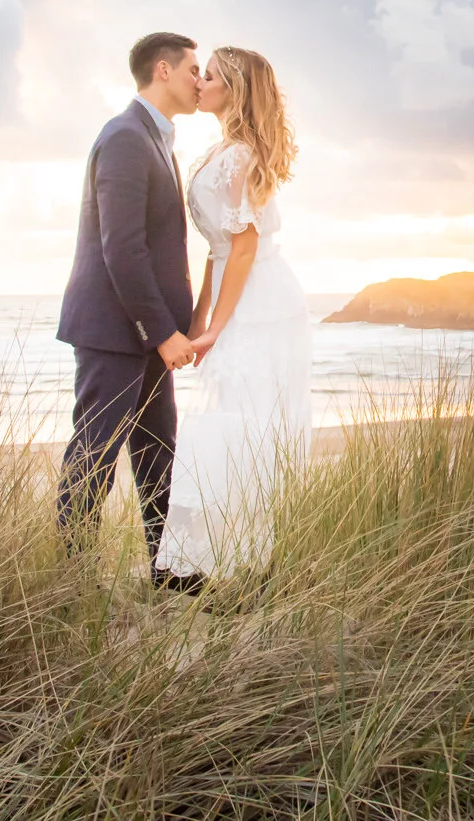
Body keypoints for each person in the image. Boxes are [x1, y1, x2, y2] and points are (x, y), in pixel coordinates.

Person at [156, 46, 312, 586]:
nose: (200, 82)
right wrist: (198, 324)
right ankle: (223, 560)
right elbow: (217, 253)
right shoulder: (225, 150)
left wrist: (217, 328)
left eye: (212, 76)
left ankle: (245, 565)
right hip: (234, 291)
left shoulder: (241, 156)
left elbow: (242, 249)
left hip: (260, 303)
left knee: (248, 424)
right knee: (234, 424)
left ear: (235, 90)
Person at [56, 31, 202, 588]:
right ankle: (73, 583)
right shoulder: (123, 136)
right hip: (116, 332)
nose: (199, 81)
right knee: (93, 457)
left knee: (159, 457)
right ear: (162, 71)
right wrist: (161, 331)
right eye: (193, 70)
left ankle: (170, 573)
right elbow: (123, 248)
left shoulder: (158, 140)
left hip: (144, 336)